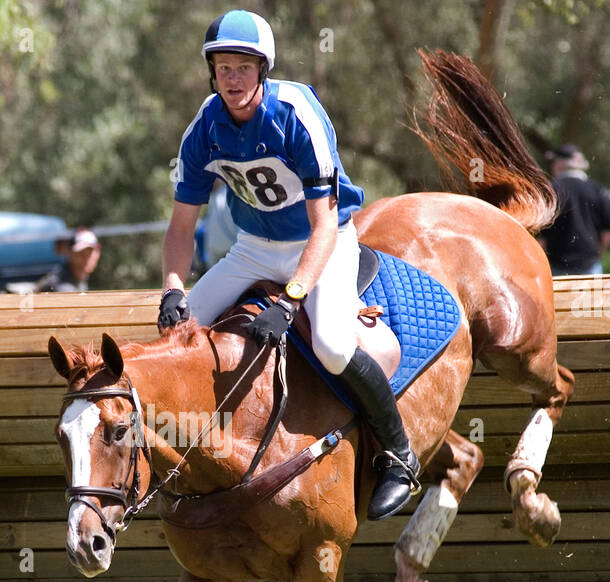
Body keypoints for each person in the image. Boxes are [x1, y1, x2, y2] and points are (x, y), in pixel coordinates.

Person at [155, 9, 417, 519]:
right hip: (253, 244)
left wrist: (293, 296)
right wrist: (171, 289)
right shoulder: (203, 129)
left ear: (262, 69)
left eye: (242, 67)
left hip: (324, 240)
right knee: (175, 334)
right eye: (223, 68)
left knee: (332, 346)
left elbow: (324, 227)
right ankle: (182, 457)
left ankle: (397, 454)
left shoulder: (295, 113)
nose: (232, 79)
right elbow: (180, 228)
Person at [537, 144, 610, 276]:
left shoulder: (550, 191)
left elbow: (541, 237)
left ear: (560, 164)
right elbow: (608, 230)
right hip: (590, 265)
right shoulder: (596, 189)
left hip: (557, 266)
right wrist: (597, 254)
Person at [34, 228, 101, 293]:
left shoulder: (80, 278)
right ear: (70, 253)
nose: (86, 258)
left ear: (98, 254)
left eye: (90, 253)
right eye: (81, 253)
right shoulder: (63, 287)